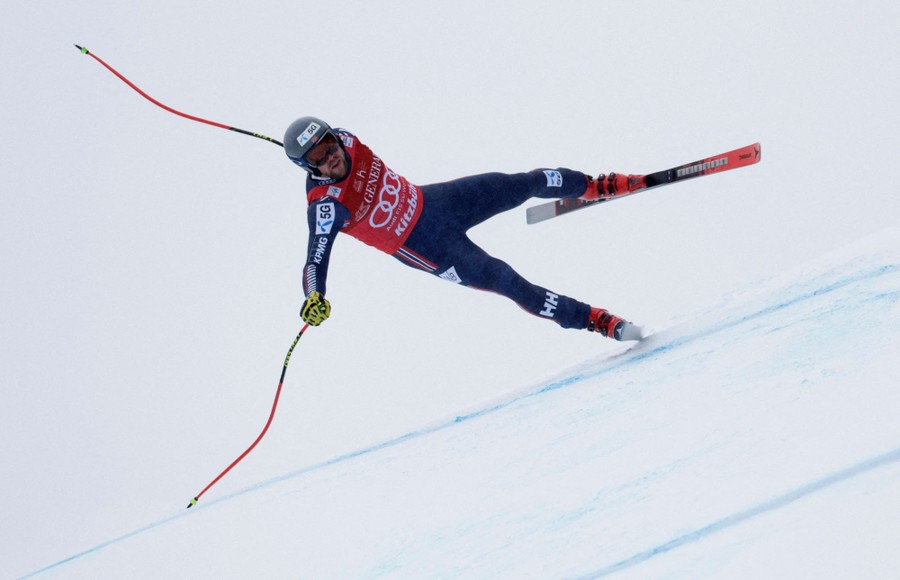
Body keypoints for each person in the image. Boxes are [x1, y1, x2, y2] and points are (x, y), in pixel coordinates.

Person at [284, 116, 644, 341]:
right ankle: (593, 319)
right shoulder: (325, 206)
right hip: (428, 248)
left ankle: (595, 186)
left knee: (522, 182)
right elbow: (315, 261)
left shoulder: (348, 139)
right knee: (508, 281)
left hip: (438, 203)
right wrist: (314, 296)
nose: (330, 155)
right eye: (318, 157)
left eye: (328, 144)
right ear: (308, 168)